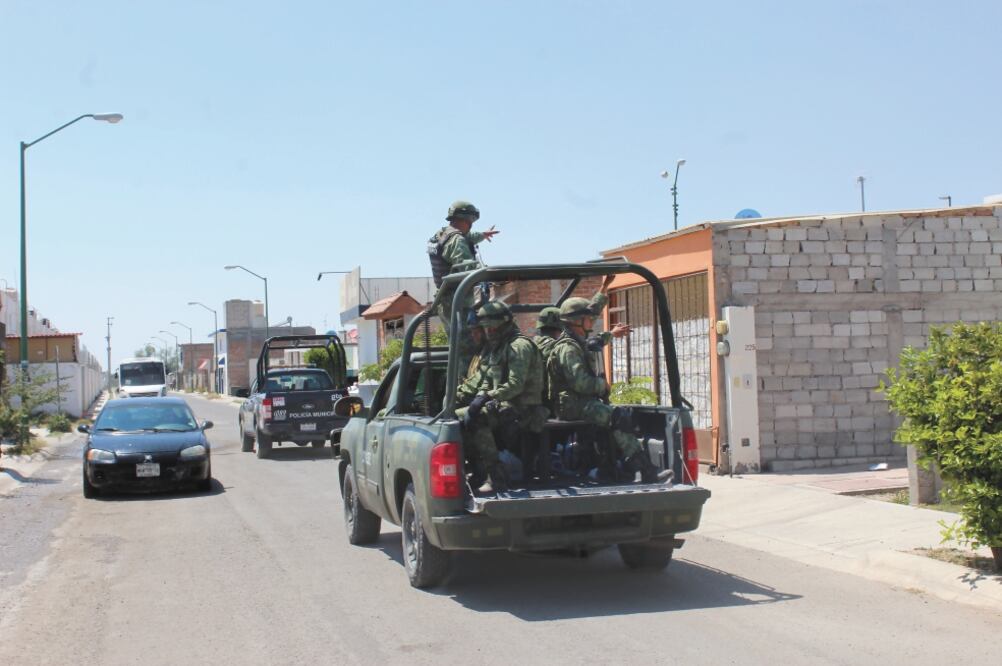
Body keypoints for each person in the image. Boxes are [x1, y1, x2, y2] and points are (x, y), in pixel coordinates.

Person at [547, 296, 670, 484]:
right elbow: (580, 383)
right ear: (576, 321)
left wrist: (611, 332)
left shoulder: (577, 341)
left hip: (579, 402)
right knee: (616, 417)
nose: (591, 321)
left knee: (609, 422)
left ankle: (609, 471)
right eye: (587, 318)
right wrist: (601, 385)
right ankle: (646, 471)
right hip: (571, 406)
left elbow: (595, 339)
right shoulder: (568, 349)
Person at [455, 300, 545, 494]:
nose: (489, 332)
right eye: (486, 328)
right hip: (505, 404)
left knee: (478, 419)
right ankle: (478, 471)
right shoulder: (499, 347)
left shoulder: (518, 347)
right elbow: (488, 379)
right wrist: (479, 397)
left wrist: (486, 397)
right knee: (458, 419)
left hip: (525, 408)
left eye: (492, 328)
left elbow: (516, 385)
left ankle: (496, 477)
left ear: (504, 324)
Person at [427, 200, 499, 372]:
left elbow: (468, 237)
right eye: (471, 221)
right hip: (457, 301)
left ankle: (459, 380)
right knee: (468, 349)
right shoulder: (457, 240)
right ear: (467, 219)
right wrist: (488, 273)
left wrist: (482, 235)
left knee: (457, 346)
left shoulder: (442, 234)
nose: (471, 224)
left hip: (445, 299)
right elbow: (467, 268)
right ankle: (464, 382)